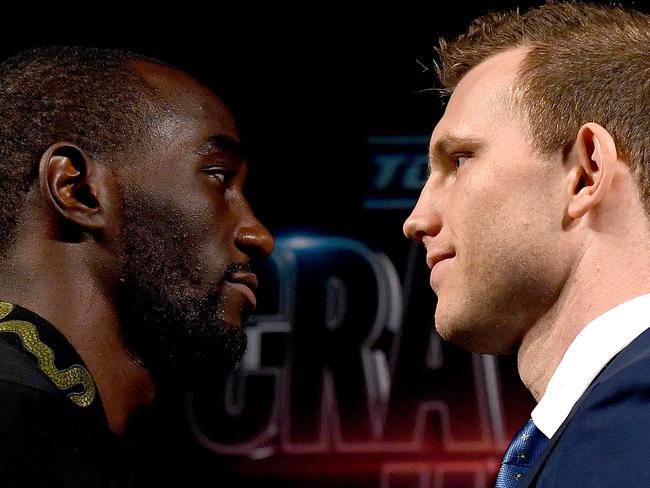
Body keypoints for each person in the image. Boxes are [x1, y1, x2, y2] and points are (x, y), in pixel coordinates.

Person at [0, 46, 274, 487]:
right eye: (219, 176)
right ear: (78, 191)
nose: (259, 236)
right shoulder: (17, 425)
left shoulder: (59, 431)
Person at [403, 2, 650, 486]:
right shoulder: (607, 422)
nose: (417, 220)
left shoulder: (632, 421)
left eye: (459, 161)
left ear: (585, 174)